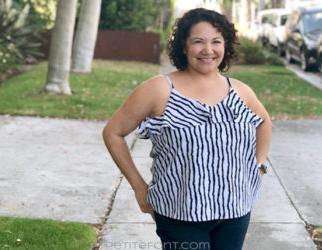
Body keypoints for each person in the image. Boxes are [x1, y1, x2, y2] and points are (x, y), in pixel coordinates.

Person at [102, 8, 271, 250]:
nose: (208, 50)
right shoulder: (159, 89)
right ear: (183, 46)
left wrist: (259, 166)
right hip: (179, 215)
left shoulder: (240, 91)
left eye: (216, 41)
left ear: (226, 46)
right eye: (198, 42)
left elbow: (264, 123)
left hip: (236, 211)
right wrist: (139, 187)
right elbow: (113, 133)